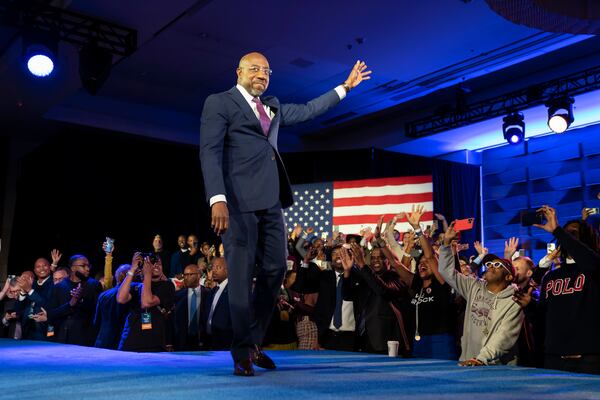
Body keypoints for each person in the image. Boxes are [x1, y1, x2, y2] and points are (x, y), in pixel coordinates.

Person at [199, 51, 371, 376]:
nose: (261, 74)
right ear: (238, 72)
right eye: (254, 69)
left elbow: (308, 110)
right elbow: (209, 150)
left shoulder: (273, 107)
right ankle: (241, 351)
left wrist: (345, 87)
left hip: (271, 203)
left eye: (266, 70)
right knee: (240, 275)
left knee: (276, 270)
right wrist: (217, 198)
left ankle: (252, 340)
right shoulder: (219, 102)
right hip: (236, 204)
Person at [438, 224, 523, 366]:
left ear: (508, 277)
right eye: (489, 264)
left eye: (497, 266)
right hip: (468, 361)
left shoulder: (514, 301)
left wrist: (481, 359)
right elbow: (446, 272)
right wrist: (446, 244)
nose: (490, 266)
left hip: (496, 367)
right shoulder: (473, 286)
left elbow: (504, 337)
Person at [533, 205, 600, 374]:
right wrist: (528, 306)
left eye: (574, 233)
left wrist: (557, 230)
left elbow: (590, 261)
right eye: (566, 233)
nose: (569, 236)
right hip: (554, 359)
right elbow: (541, 319)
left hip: (589, 359)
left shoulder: (594, 269)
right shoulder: (550, 277)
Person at [117, 253, 175, 352]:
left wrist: (147, 275)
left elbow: (147, 302)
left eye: (159, 263)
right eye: (152, 263)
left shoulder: (167, 286)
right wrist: (132, 269)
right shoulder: (136, 286)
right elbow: (121, 299)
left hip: (154, 344)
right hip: (130, 342)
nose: (156, 265)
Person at [48, 255, 102, 346]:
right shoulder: (59, 287)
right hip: (62, 338)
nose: (87, 268)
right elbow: (52, 314)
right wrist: (70, 304)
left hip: (84, 338)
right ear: (73, 268)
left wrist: (80, 300)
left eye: (88, 266)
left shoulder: (94, 285)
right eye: (83, 266)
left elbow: (97, 312)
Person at [93, 264, 131, 349]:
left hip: (103, 340)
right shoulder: (132, 294)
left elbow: (96, 321)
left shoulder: (103, 295)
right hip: (122, 340)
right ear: (124, 275)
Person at [173, 264, 210, 350]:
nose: (186, 277)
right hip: (182, 342)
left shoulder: (209, 294)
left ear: (198, 275)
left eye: (190, 274)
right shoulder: (178, 296)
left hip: (204, 341)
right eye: (185, 275)